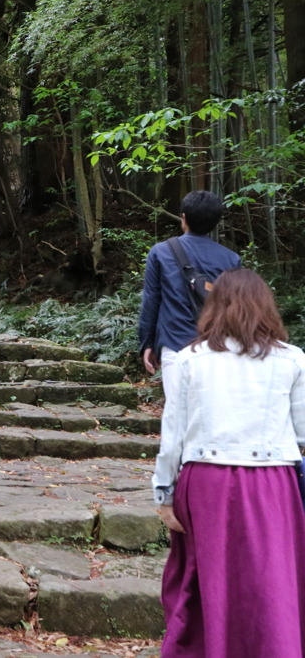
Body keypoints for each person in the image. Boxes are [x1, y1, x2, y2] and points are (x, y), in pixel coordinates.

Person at [152, 268, 305, 657]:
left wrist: (163, 491)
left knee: (209, 578)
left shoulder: (190, 359)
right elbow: (303, 433)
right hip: (274, 483)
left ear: (213, 307)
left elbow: (174, 432)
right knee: (273, 577)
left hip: (207, 482)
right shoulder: (292, 360)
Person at [137, 190, 240, 397]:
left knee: (178, 416)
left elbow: (152, 299)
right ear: (216, 222)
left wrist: (147, 343)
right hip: (216, 348)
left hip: (174, 344)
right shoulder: (231, 259)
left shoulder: (161, 252)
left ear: (183, 217)